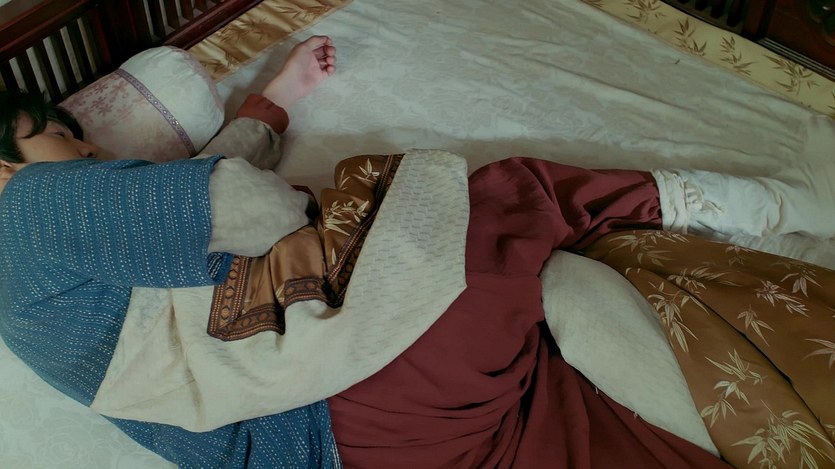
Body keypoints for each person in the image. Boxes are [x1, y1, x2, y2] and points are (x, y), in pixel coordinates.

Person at [1, 34, 832, 468]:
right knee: (509, 200)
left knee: (571, 403)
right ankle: (784, 202)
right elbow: (245, 205)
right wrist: (326, 207)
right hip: (361, 380)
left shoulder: (31, 307)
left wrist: (275, 99)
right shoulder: (27, 204)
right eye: (66, 139)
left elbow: (188, 197)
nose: (93, 153)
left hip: (364, 449)